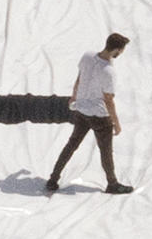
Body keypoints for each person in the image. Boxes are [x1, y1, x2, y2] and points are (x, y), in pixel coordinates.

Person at [46, 33, 133, 195]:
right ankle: (112, 184)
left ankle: (53, 179)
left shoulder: (87, 56)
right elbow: (108, 100)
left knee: (71, 145)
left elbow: (79, 78)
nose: (120, 53)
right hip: (99, 116)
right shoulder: (109, 72)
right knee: (105, 151)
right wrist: (116, 122)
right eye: (121, 51)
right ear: (116, 50)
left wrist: (74, 96)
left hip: (81, 110)